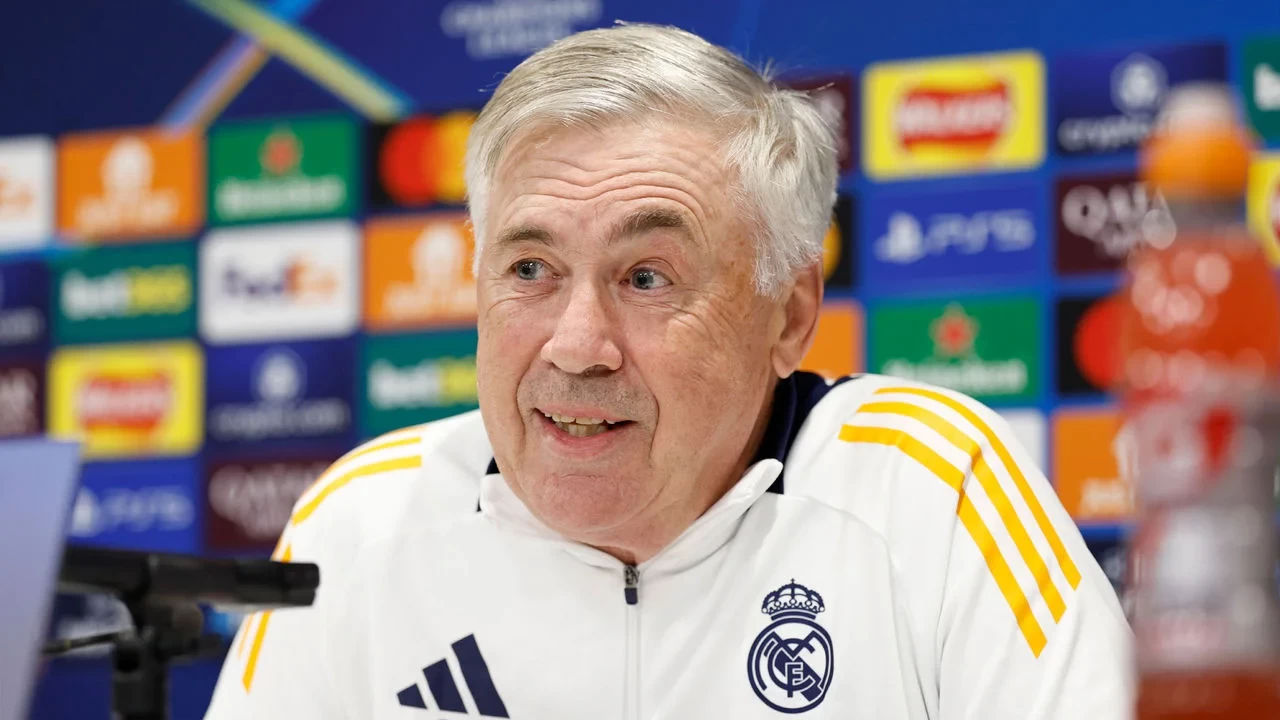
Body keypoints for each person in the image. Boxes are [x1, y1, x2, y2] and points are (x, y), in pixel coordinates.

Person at [204, 22, 1133, 719]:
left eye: (646, 278)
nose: (577, 346)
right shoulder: (363, 524)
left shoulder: (928, 487)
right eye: (530, 270)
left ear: (788, 316)